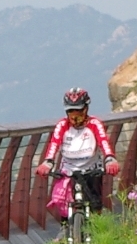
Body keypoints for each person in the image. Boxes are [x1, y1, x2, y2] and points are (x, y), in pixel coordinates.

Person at [39, 88, 121, 226]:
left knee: (95, 205)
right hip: (68, 170)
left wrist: (110, 159)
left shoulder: (94, 124)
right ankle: (66, 230)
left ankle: (97, 231)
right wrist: (48, 162)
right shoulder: (62, 125)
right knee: (63, 204)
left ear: (86, 108)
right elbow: (54, 144)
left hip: (91, 169)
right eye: (71, 111)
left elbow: (103, 142)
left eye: (78, 110)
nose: (74, 115)